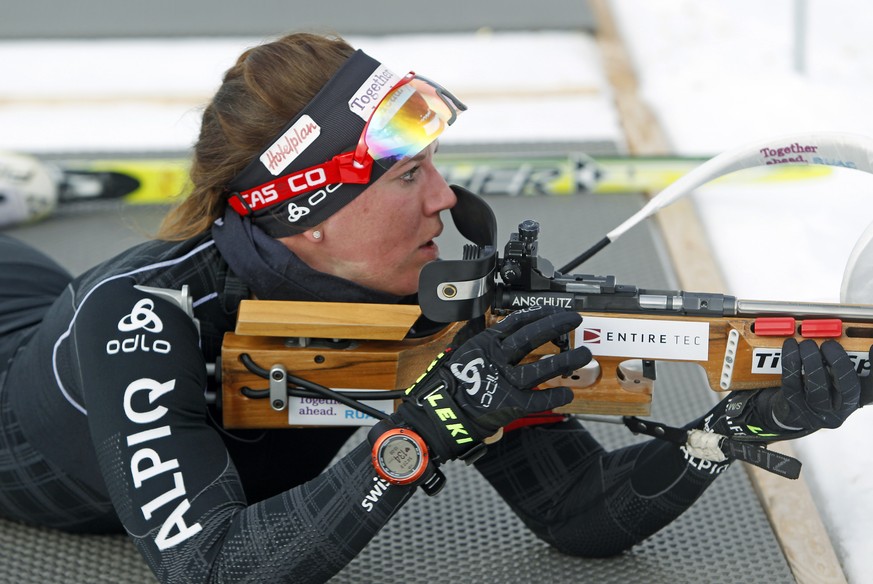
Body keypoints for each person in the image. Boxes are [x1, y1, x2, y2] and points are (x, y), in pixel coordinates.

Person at [0, 31, 868, 584]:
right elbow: (210, 567)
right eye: (407, 174)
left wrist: (730, 429)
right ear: (306, 211)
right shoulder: (141, 312)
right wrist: (416, 435)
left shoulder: (429, 305)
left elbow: (581, 514)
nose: (445, 199)